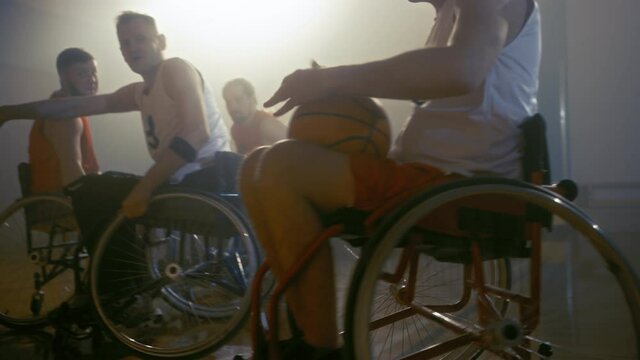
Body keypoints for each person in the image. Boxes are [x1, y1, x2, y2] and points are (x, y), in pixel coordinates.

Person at [239, 0, 540, 358]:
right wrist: (335, 87)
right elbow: (442, 72)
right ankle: (300, 339)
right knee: (254, 165)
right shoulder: (450, 13)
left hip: (457, 185)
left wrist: (330, 79)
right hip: (428, 177)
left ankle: (325, 351)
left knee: (281, 168)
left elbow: (462, 69)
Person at [0, 11, 234, 249]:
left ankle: (115, 284)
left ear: (161, 42)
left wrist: (145, 188)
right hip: (180, 182)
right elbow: (72, 106)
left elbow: (197, 133)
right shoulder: (139, 92)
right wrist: (9, 112)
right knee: (98, 188)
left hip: (208, 178)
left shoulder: (175, 69)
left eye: (140, 39)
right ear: (122, 53)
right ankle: (125, 276)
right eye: (125, 43)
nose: (133, 48)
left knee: (94, 191)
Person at [28, 47, 100, 194]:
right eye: (82, 74)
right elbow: (72, 176)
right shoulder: (65, 116)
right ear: (63, 77)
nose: (92, 80)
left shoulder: (69, 108)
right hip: (61, 204)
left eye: (94, 73)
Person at [222, 78, 287, 154]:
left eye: (238, 100)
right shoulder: (235, 129)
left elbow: (297, 152)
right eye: (228, 102)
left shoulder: (267, 125)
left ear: (252, 99)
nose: (233, 107)